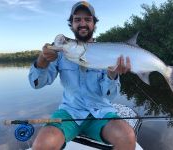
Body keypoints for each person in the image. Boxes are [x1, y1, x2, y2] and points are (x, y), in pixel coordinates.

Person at [29, 1, 136, 150]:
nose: (82, 23)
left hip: (101, 113)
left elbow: (110, 96)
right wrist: (42, 60)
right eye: (77, 19)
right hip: (69, 113)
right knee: (42, 145)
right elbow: (36, 84)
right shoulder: (60, 53)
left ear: (94, 24)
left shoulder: (105, 52)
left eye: (87, 19)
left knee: (127, 137)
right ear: (71, 24)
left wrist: (112, 75)